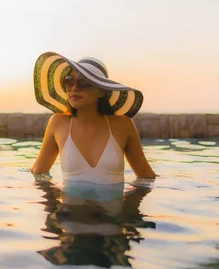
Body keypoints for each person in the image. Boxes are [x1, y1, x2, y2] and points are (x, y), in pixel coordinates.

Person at [30, 52, 156, 182]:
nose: (74, 88)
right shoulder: (58, 123)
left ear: (101, 91)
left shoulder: (123, 125)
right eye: (69, 81)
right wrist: (55, 200)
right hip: (69, 203)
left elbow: (146, 177)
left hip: (114, 203)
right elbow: (39, 173)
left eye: (83, 82)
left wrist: (130, 201)